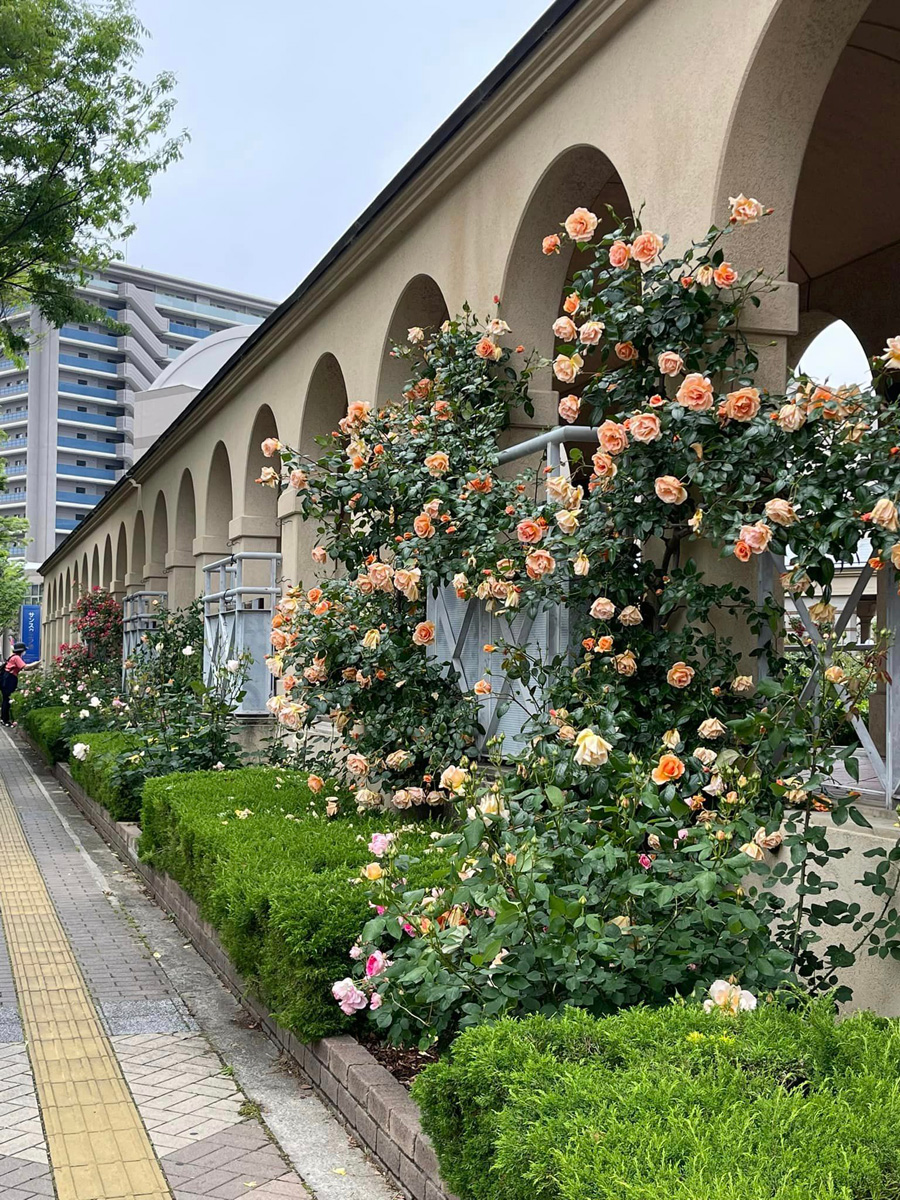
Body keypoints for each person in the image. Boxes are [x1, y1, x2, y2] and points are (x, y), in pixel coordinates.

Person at [1, 642, 40, 727]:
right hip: (9, 679)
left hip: (6, 678)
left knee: (5, 699)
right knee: (7, 699)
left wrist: (34, 667)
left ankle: (4, 718)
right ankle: (5, 720)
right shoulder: (16, 658)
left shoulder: (12, 657)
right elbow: (25, 667)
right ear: (21, 650)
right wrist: (37, 663)